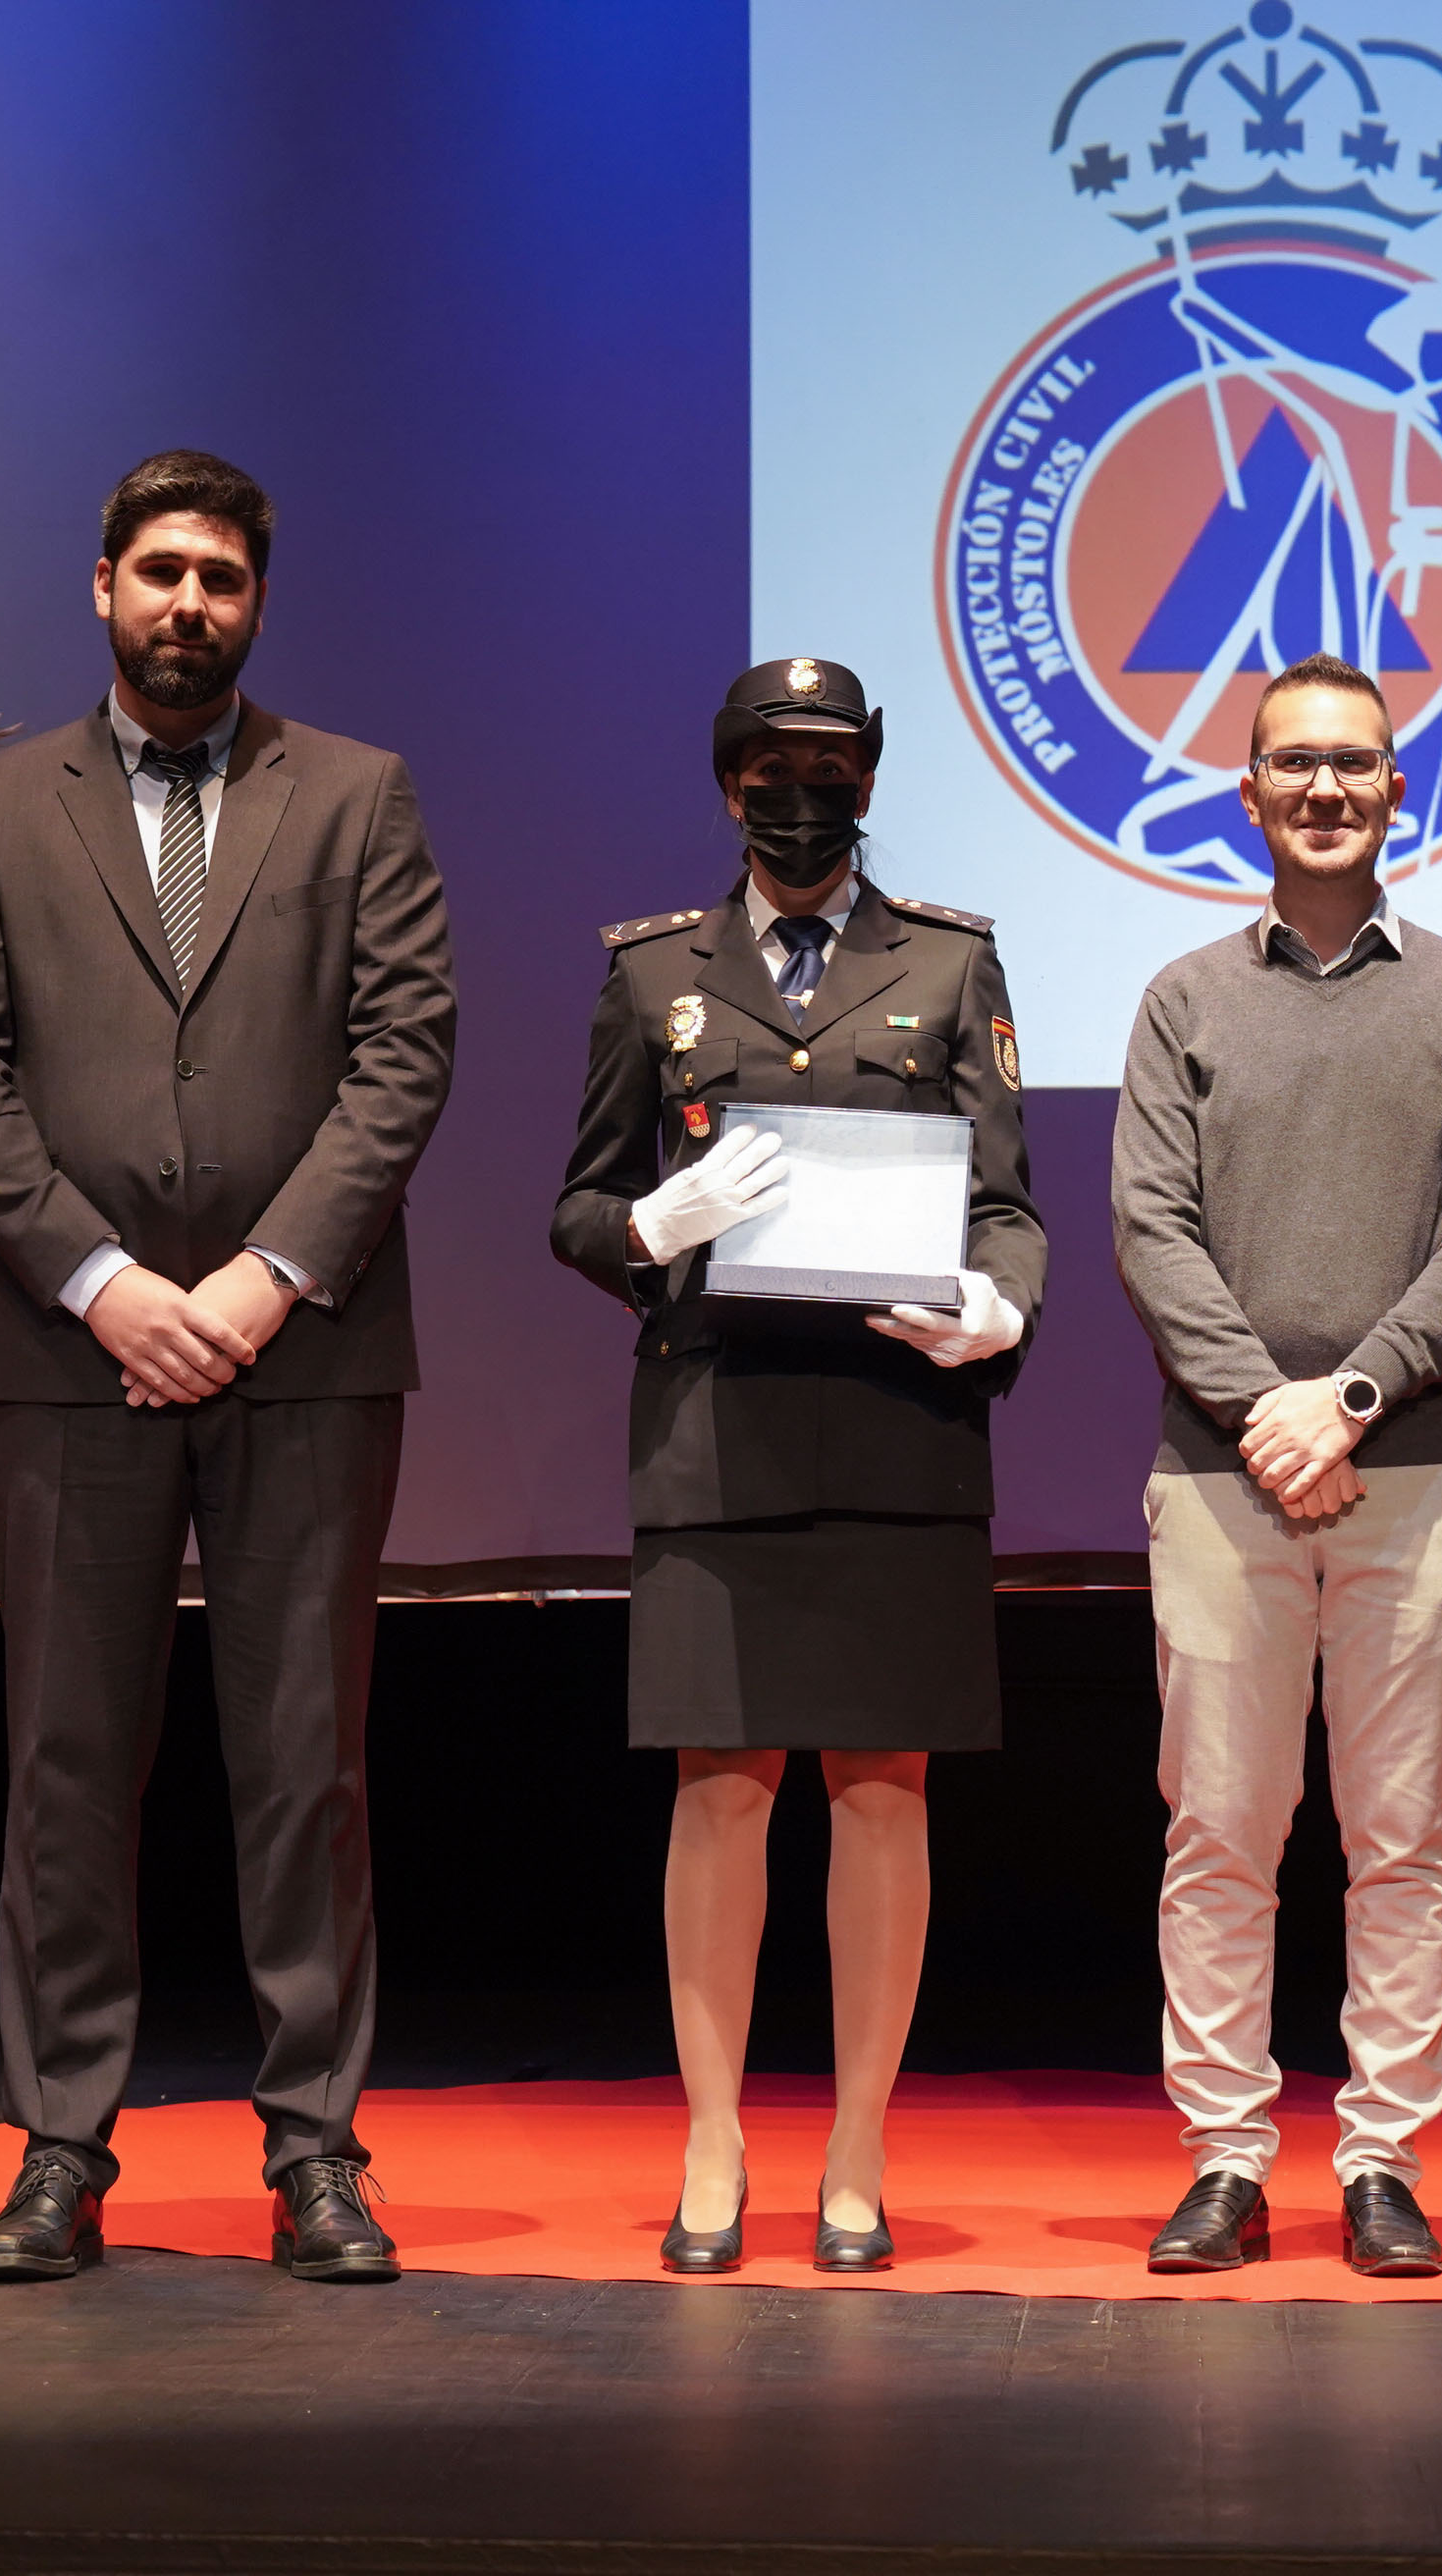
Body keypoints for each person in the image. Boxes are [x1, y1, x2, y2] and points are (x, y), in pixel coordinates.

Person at [0, 450, 456, 2287]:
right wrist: (108, 1284)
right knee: (69, 1763)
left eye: (220, 576)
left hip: (306, 1352)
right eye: (160, 572)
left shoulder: (356, 794)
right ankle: (61, 2148)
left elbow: (404, 1051)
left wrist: (264, 1281)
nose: (187, 604)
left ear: (257, 602)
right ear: (103, 588)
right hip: (73, 1356)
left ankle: (317, 2155)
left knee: (305, 1769)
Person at [551, 655, 1044, 2275]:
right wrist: (649, 1226)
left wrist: (1000, 1305)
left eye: (832, 765)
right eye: (773, 765)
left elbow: (1007, 1204)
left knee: (884, 1789)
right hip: (717, 1431)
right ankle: (713, 2138)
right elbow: (579, 1204)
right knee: (720, 1788)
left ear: (871, 780)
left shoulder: (951, 962)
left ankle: (856, 2145)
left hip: (903, 1428)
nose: (803, 792)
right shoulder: (655, 973)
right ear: (728, 783)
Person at [1108, 654, 1442, 2277]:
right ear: (1248, 792)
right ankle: (1225, 2158)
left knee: (1405, 1836)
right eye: (1294, 763)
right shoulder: (1184, 998)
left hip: (1414, 1475)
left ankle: (1381, 2164)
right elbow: (1151, 1229)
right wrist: (1268, 1414)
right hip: (1220, 1479)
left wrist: (1345, 1400)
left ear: (1397, 789)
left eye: (1353, 762)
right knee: (1220, 1833)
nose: (1324, 788)